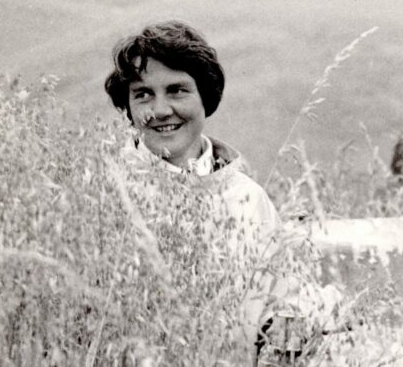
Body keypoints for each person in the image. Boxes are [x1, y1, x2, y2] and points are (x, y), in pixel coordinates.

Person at [104, 20, 310, 363]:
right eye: (143, 94)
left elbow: (280, 314)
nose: (159, 111)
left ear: (206, 97)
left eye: (177, 90)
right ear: (127, 107)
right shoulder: (104, 194)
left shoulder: (249, 198)